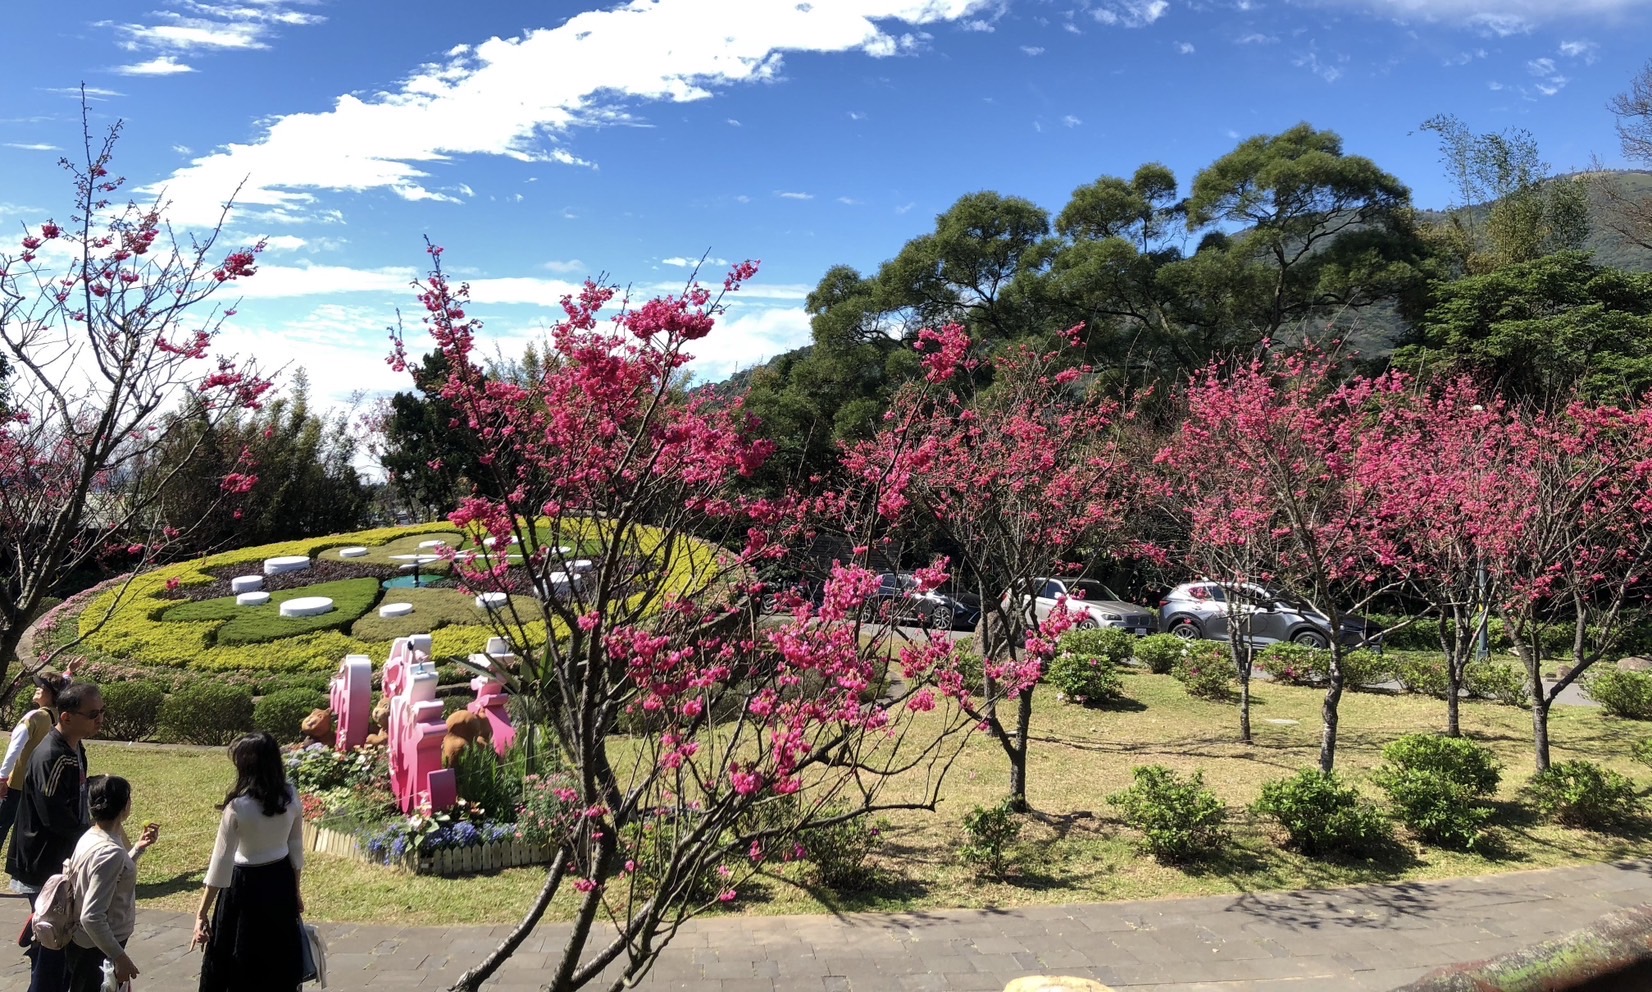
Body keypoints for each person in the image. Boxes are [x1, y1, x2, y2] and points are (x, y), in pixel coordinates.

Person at [192, 732, 306, 992]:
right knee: (277, 960)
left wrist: (201, 914)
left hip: (243, 887)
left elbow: (220, 864)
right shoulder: (290, 796)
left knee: (237, 959)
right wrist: (296, 892)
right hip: (280, 882)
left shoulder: (237, 807)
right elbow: (295, 851)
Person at [9, 680, 102, 992]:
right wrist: (94, 837)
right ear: (66, 717)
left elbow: (74, 799)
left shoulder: (75, 748)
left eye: (102, 712)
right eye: (93, 714)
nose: (99, 719)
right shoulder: (52, 755)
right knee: (55, 946)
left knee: (57, 946)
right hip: (42, 863)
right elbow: (54, 816)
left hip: (59, 862)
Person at [65, 775, 159, 992]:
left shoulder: (92, 835)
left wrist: (137, 849)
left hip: (86, 943)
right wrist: (120, 957)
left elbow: (110, 873)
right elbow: (92, 916)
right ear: (125, 806)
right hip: (97, 949)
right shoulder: (110, 851)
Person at [0, 664, 77, 859]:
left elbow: (15, 748)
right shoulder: (60, 718)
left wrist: (2, 778)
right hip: (40, 784)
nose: (37, 689)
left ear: (50, 694)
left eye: (42, 687)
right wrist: (68, 673)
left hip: (16, 784)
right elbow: (65, 688)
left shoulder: (33, 717)